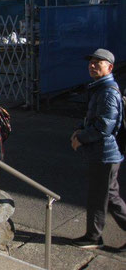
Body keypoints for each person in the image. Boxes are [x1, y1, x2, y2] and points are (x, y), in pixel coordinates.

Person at [70, 48, 126, 250]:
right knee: (110, 196)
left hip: (104, 154)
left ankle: (93, 237)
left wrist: (81, 138)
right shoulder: (100, 88)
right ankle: (94, 235)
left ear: (109, 67)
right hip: (106, 153)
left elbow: (104, 126)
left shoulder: (108, 92)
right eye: (91, 62)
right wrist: (78, 130)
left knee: (98, 197)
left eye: (98, 63)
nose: (92, 66)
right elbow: (93, 119)